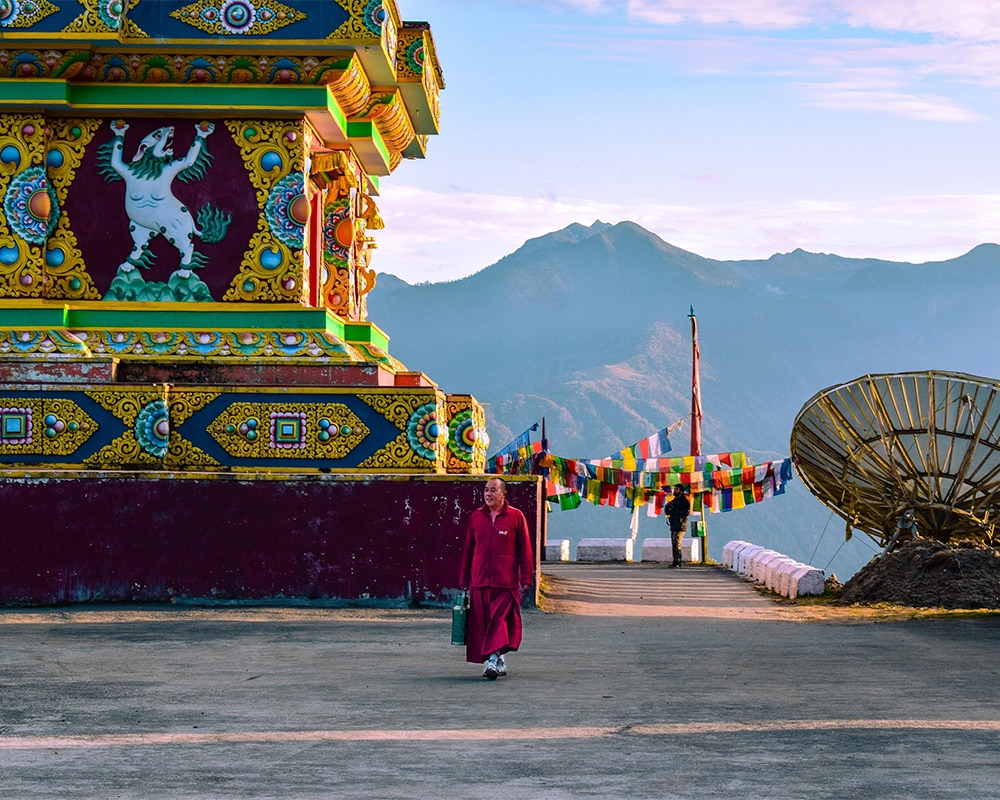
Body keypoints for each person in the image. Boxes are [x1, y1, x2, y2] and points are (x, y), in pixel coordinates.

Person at [459, 477, 534, 680]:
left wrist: (526, 578)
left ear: (503, 494)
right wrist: (464, 579)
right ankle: (499, 660)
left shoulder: (516, 517)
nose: (488, 494)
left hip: (506, 581)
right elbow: (469, 549)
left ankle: (492, 660)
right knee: (483, 623)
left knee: (498, 621)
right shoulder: (477, 517)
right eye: (486, 490)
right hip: (480, 580)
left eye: (493, 490)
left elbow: (525, 551)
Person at [663, 484, 691, 568]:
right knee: (674, 543)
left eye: (677, 489)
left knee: (677, 543)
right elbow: (668, 512)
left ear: (681, 491)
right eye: (674, 489)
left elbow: (686, 512)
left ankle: (678, 562)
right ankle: (675, 561)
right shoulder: (674, 501)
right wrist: (667, 507)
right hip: (673, 524)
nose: (675, 491)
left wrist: (674, 509)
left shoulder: (684, 501)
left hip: (680, 525)